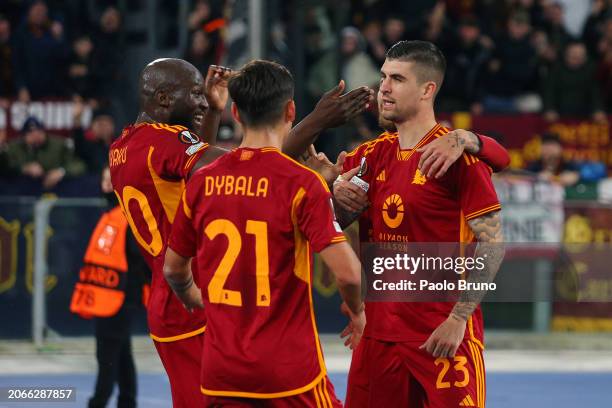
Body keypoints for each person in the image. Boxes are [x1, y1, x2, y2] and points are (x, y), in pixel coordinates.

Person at [109, 58, 374, 407]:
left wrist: (215, 115)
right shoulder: (165, 142)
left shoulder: (123, 146)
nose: (204, 100)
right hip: (206, 311)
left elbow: (209, 181)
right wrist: (316, 124)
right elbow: (242, 171)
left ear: (235, 111)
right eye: (195, 94)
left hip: (179, 299)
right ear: (162, 99)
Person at [334, 40, 505, 408]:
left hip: (442, 335)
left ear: (428, 89)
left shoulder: (457, 157)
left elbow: (493, 244)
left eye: (397, 79)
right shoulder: (368, 157)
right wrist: (334, 193)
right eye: (383, 77)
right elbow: (325, 223)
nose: (384, 87)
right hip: (379, 339)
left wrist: (459, 319)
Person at [70, 166, 151, 408]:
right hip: (108, 298)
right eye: (104, 180)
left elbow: (141, 261)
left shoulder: (126, 218)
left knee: (106, 358)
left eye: (111, 180)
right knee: (122, 356)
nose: (106, 185)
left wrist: (132, 293)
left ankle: (98, 402)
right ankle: (128, 402)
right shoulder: (111, 215)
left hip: (118, 300)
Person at [0, 116, 85, 189]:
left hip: (56, 190)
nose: (36, 136)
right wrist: (24, 168)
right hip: (23, 192)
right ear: (24, 135)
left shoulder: (59, 146)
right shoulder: (13, 147)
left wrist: (61, 172)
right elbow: (6, 166)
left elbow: (79, 165)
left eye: (39, 132)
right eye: (31, 133)